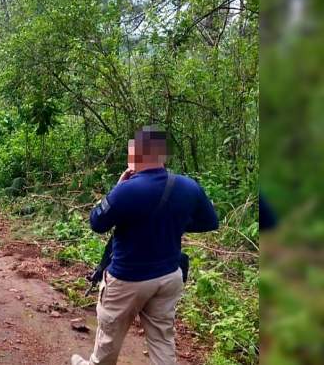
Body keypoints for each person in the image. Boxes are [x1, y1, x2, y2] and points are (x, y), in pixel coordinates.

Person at [71, 126, 219, 365]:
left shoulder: (127, 191)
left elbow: (97, 222)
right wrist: (174, 224)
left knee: (109, 338)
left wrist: (118, 188)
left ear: (136, 154)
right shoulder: (189, 186)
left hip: (128, 279)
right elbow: (210, 221)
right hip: (169, 277)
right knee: (162, 341)